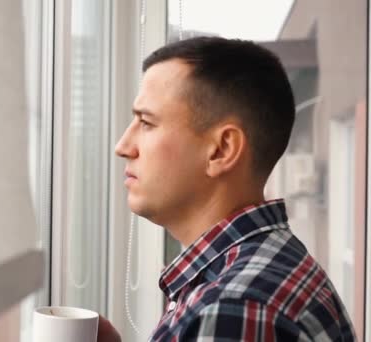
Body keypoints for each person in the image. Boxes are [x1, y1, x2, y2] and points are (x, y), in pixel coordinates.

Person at [101, 37, 356, 341]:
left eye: (147, 122)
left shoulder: (233, 308)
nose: (123, 146)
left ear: (222, 150)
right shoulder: (261, 271)